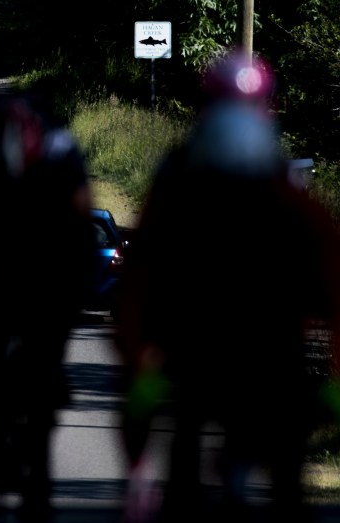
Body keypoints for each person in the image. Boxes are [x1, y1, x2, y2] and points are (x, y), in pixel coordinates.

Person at [115, 48, 340, 523]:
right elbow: (143, 276)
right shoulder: (186, 180)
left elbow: (325, 274)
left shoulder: (271, 182)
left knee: (277, 457)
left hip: (255, 352)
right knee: (196, 452)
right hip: (204, 351)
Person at [0, 92, 98, 521]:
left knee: (48, 343)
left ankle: (42, 407)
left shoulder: (63, 155)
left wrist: (75, 290)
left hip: (46, 262)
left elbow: (82, 229)